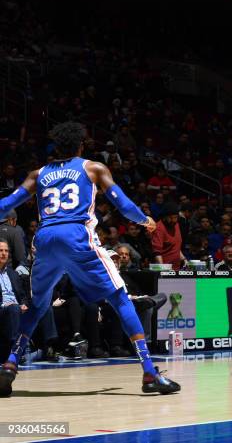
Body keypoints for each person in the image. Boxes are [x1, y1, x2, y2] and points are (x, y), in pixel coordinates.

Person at [0, 122, 179, 396]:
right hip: (76, 236)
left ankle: (11, 364)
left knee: (38, 305)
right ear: (81, 145)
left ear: (55, 147)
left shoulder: (38, 174)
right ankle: (149, 373)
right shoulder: (93, 167)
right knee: (119, 297)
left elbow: (5, 206)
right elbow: (124, 205)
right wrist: (145, 221)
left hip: (45, 239)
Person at [0, 240, 28, 362]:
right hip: (3, 308)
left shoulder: (13, 273)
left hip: (16, 307)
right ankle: (16, 350)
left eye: (6, 251)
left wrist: (24, 304)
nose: (4, 253)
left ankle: (50, 345)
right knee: (13, 308)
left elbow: (22, 295)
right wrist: (4, 304)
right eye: (0, 251)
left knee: (42, 308)